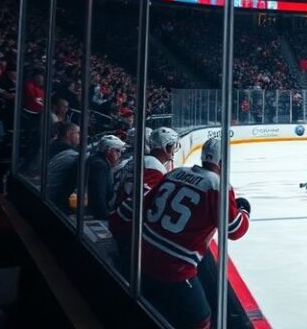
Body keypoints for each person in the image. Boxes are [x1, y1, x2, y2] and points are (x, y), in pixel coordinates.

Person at [141, 136, 250, 329]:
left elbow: (145, 203)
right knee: (201, 320)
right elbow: (234, 230)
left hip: (143, 253)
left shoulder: (175, 173)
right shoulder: (217, 185)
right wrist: (244, 209)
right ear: (222, 162)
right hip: (174, 267)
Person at [108, 127, 179, 253]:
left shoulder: (139, 160)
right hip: (129, 228)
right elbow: (146, 204)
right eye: (173, 146)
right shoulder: (154, 168)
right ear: (165, 146)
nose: (174, 150)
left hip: (119, 218)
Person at [86, 135, 125, 220]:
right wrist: (105, 215)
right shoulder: (101, 165)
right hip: (93, 213)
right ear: (108, 151)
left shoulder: (95, 158)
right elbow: (99, 193)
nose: (120, 154)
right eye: (117, 151)